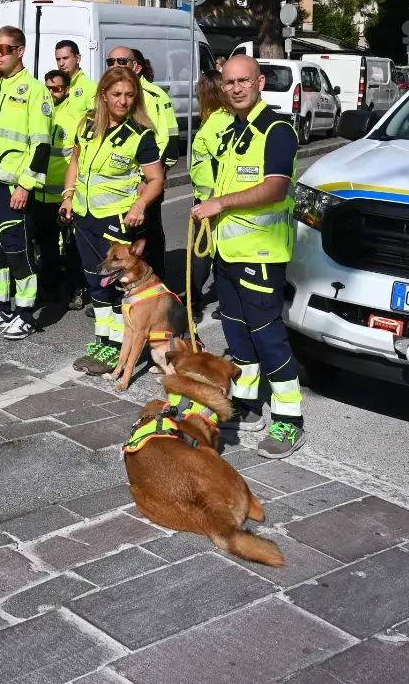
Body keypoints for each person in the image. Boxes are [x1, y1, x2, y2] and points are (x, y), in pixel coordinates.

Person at [190, 54, 305, 459]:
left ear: (259, 83)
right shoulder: (231, 131)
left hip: (261, 253)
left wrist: (220, 203)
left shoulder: (277, 130)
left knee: (268, 336)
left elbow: (275, 188)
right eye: (229, 82)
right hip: (227, 252)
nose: (236, 88)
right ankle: (248, 403)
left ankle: (289, 419)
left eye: (244, 81)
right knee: (237, 334)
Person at [61, 67, 164, 374]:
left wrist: (140, 205)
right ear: (103, 95)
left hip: (116, 221)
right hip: (84, 216)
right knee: (95, 281)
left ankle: (118, 346)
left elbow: (156, 179)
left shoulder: (140, 134)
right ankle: (103, 340)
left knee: (116, 285)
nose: (123, 101)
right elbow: (75, 162)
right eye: (117, 94)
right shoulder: (87, 124)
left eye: (130, 95)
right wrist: (68, 196)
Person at [0, 26, 53, 340]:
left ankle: (25, 313)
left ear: (20, 51)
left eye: (5, 49)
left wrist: (26, 185)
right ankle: (0, 306)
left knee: (18, 251)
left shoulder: (34, 91)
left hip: (12, 187)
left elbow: (41, 145)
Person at [114, 47, 179, 279]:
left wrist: (148, 179)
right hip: (120, 183)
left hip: (146, 181)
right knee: (123, 238)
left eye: (122, 61)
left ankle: (155, 282)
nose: (115, 65)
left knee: (148, 236)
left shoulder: (154, 96)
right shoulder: (108, 95)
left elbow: (170, 143)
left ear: (137, 67)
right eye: (111, 61)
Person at [34, 69, 82, 305]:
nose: (52, 93)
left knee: (73, 247)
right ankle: (48, 289)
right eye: (48, 88)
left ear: (67, 90)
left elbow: (79, 158)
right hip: (40, 195)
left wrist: (70, 194)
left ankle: (76, 290)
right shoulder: (39, 112)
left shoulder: (76, 117)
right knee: (46, 246)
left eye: (57, 88)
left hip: (65, 197)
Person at [188, 69, 232, 315]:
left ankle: (193, 302)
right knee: (218, 253)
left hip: (210, 201)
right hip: (217, 199)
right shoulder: (228, 119)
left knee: (202, 255)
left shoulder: (215, 123)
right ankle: (225, 303)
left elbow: (221, 162)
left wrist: (212, 200)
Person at [54, 40, 96, 126]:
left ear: (78, 58)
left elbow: (97, 122)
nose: (61, 63)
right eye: (58, 59)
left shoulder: (91, 88)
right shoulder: (52, 86)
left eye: (65, 58)